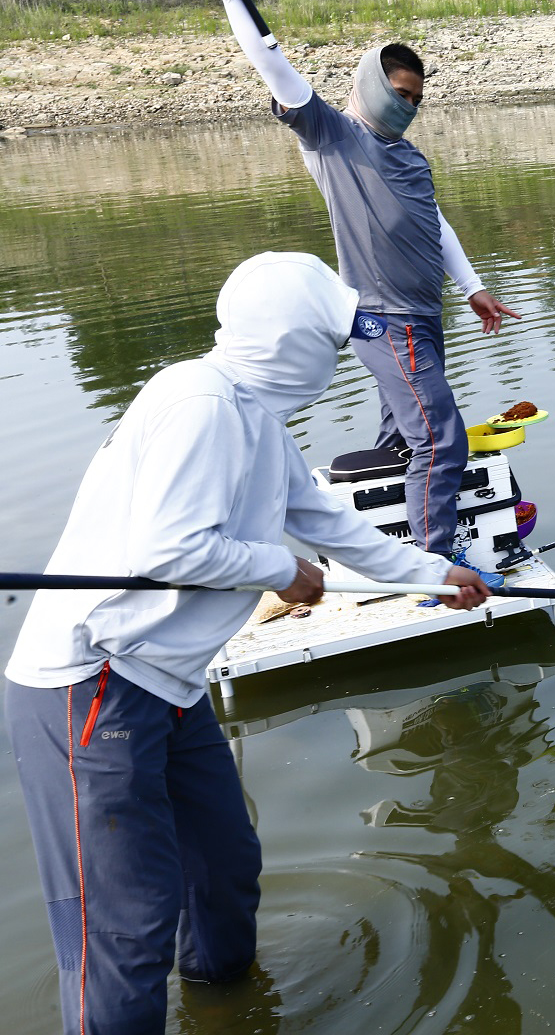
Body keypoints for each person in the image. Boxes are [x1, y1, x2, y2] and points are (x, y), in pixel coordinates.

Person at [4, 253, 491, 1035]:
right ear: (290, 339)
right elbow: (168, 549)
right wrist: (281, 569)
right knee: (126, 922)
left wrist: (435, 574)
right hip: (90, 682)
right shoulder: (199, 404)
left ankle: (224, 1004)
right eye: (331, 342)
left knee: (224, 868)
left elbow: (326, 523)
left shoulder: (254, 416)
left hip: (167, 683)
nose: (338, 359)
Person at [205, 0, 520, 569]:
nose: (409, 105)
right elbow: (273, 65)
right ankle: (438, 566)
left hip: (424, 316)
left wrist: (471, 287)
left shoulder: (407, 154)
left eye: (417, 98)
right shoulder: (333, 136)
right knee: (440, 439)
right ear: (375, 86)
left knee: (405, 440)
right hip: (384, 317)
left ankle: (380, 540)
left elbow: (432, 223)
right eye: (401, 93)